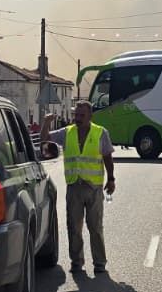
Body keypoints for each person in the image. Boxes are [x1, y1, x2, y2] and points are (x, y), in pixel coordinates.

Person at [43, 100, 116, 274]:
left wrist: (111, 179)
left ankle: (99, 263)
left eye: (82, 115)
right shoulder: (67, 132)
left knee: (95, 226)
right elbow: (45, 139)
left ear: (90, 116)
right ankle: (77, 262)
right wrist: (46, 122)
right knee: (74, 227)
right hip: (74, 186)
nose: (78, 118)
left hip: (94, 187)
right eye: (76, 115)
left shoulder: (100, 133)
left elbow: (107, 156)